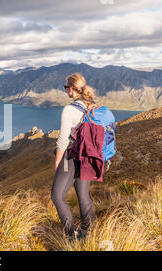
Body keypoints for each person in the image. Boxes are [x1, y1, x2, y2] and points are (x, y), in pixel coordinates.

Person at [51, 73, 96, 241]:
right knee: (83, 195)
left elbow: (63, 140)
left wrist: (57, 162)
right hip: (87, 157)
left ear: (71, 89)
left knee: (57, 196)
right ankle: (87, 233)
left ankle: (71, 236)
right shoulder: (91, 106)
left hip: (71, 157)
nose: (66, 91)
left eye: (66, 88)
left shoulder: (69, 110)